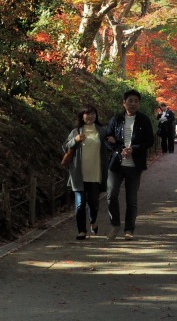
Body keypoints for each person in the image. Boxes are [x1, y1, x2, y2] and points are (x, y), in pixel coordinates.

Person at [106, 89, 155, 240]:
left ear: (139, 103)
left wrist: (134, 149)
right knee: (111, 195)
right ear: (124, 103)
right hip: (117, 164)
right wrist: (120, 149)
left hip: (135, 165)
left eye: (136, 101)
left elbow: (150, 141)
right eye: (130, 100)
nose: (133, 103)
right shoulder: (116, 119)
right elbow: (108, 138)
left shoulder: (144, 120)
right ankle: (115, 224)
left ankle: (129, 229)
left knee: (131, 198)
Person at [63, 105, 109, 239]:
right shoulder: (76, 131)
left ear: (96, 115)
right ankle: (81, 231)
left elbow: (109, 147)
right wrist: (75, 140)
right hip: (79, 174)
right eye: (87, 114)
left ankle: (93, 221)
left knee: (94, 203)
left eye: (93, 114)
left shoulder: (102, 131)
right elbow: (65, 146)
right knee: (80, 204)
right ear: (82, 116)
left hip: (96, 173)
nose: (90, 116)